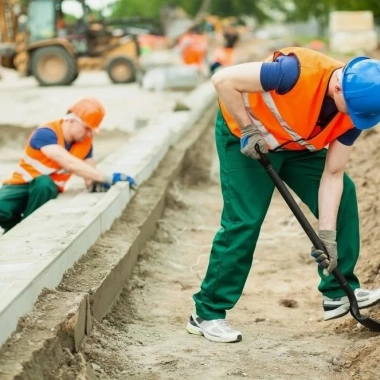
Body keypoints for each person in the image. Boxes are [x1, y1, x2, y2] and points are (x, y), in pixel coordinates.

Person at [186, 47, 380, 343]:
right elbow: (222, 80)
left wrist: (327, 235)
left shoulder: (355, 110)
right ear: (338, 85)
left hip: (297, 147)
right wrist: (248, 128)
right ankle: (207, 312)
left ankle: (338, 291)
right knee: (245, 219)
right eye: (351, 109)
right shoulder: (292, 71)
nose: (353, 117)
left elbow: (333, 174)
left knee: (345, 197)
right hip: (247, 139)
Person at [0, 96, 136, 233]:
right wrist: (107, 178)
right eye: (87, 128)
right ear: (71, 120)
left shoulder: (85, 141)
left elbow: (89, 173)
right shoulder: (46, 133)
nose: (89, 133)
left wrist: (100, 183)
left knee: (43, 183)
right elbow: (69, 162)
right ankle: (13, 226)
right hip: (20, 184)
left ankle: (24, 231)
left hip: (45, 189)